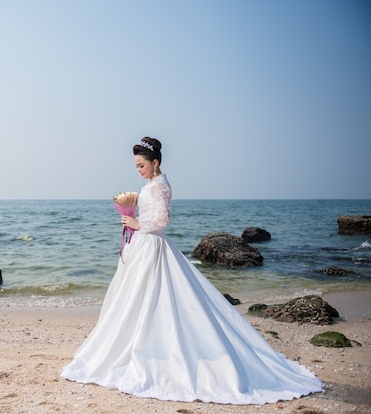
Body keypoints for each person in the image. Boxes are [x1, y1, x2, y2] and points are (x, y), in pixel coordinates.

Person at [60, 137, 323, 405]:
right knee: (134, 301)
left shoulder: (160, 185)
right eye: (136, 166)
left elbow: (163, 220)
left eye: (141, 165)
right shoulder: (150, 184)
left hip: (153, 247)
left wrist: (137, 222)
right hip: (143, 246)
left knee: (155, 300)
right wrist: (131, 217)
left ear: (155, 163)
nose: (138, 170)